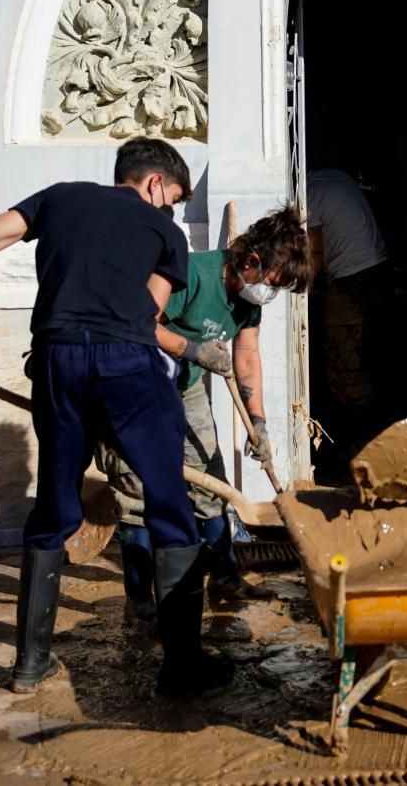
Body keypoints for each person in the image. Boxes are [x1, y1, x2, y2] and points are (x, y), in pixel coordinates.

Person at [0, 137, 233, 697]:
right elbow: (147, 313)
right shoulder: (166, 232)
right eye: (173, 198)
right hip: (128, 363)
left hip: (56, 360)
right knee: (169, 505)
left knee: (54, 508)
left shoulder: (58, 198)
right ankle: (183, 669)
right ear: (155, 183)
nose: (171, 210)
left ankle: (30, 664)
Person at [106, 206, 313, 620]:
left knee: (212, 485)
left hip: (185, 389)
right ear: (251, 260)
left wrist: (258, 422)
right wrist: (192, 349)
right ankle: (139, 600)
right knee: (136, 490)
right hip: (135, 385)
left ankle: (225, 577)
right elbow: (140, 324)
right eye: (273, 283)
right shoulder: (189, 273)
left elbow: (247, 353)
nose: (270, 293)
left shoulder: (247, 298)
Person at [307, 168, 391, 449]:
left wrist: (304, 292)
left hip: (352, 281)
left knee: (343, 364)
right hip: (377, 270)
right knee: (369, 358)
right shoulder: (335, 178)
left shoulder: (310, 195)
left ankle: (359, 442)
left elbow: (314, 252)